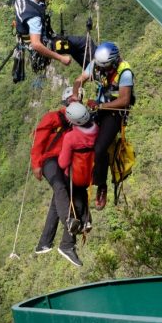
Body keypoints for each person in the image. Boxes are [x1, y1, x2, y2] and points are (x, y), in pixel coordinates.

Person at [71, 41, 134, 211]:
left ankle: (101, 185)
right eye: (99, 66)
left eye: (104, 67)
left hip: (114, 113)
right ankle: (79, 177)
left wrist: (100, 106)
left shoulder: (125, 72)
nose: (100, 70)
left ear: (113, 63)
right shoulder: (97, 65)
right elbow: (80, 80)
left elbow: (124, 100)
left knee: (100, 148)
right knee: (78, 136)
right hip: (99, 109)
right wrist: (75, 94)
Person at [13, 0, 91, 70]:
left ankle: (89, 68)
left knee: (74, 46)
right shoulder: (33, 17)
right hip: (44, 43)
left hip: (32, 38)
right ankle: (94, 69)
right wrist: (61, 58)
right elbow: (36, 44)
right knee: (84, 43)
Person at [30, 87, 75, 258]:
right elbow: (38, 140)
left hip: (64, 162)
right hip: (49, 160)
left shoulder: (77, 122)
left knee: (58, 199)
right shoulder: (53, 117)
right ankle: (69, 222)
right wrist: (36, 164)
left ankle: (44, 243)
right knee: (59, 187)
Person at [54, 102, 98, 267]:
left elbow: (63, 162)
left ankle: (72, 225)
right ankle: (85, 220)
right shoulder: (97, 129)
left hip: (73, 177)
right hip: (88, 177)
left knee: (63, 193)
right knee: (79, 198)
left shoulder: (71, 137)